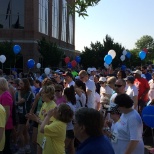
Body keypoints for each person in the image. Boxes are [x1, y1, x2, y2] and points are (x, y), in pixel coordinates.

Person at [26, 85, 56, 154]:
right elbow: (41, 117)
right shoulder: (44, 103)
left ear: (48, 94)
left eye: (42, 93)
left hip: (47, 138)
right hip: (41, 136)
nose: (40, 95)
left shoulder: (53, 106)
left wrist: (36, 119)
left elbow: (50, 125)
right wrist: (33, 117)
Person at [0, 77, 13, 154]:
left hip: (5, 125)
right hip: (2, 124)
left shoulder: (5, 96)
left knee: (5, 147)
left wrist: (3, 126)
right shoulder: (2, 94)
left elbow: (7, 113)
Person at [63, 86, 76, 154]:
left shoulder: (67, 106)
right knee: (71, 147)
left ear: (65, 95)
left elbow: (67, 118)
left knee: (63, 148)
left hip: (68, 129)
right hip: (72, 128)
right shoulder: (73, 104)